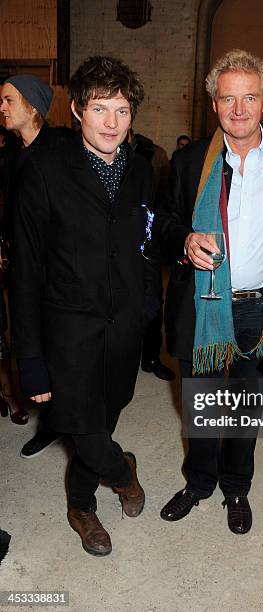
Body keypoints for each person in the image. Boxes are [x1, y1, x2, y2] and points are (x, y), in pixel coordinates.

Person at [159, 49, 263, 534]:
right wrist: (183, 239)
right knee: (202, 406)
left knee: (247, 407)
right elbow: (158, 224)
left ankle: (236, 487)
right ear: (214, 105)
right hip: (204, 306)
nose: (239, 109)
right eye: (228, 98)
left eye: (249, 97)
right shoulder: (189, 162)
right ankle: (199, 482)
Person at [11, 56, 159, 556]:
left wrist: (146, 307)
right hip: (66, 338)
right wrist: (29, 361)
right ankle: (121, 474)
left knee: (103, 422)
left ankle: (80, 503)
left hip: (122, 333)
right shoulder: (44, 172)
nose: (112, 122)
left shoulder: (140, 170)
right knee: (87, 433)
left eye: (122, 109)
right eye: (100, 109)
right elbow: (26, 273)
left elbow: (143, 244)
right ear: (76, 109)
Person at [0, 74, 63, 427]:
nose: (2, 108)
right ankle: (50, 421)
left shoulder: (61, 150)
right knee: (28, 335)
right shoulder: (10, 155)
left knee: (57, 344)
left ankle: (63, 419)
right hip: (21, 268)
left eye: (8, 100)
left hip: (56, 271)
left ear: (33, 105)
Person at [128, 128, 175, 381]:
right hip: (113, 241)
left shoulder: (155, 155)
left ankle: (151, 357)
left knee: (153, 299)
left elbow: (167, 195)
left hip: (148, 238)